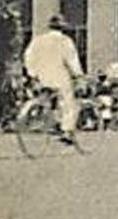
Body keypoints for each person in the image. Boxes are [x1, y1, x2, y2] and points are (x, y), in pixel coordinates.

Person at [21, 14, 85, 145]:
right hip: (59, 76)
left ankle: (48, 120)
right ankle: (66, 130)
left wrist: (32, 73)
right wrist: (79, 76)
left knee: (46, 98)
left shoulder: (38, 40)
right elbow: (72, 61)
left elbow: (28, 57)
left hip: (41, 77)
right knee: (68, 102)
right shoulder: (65, 41)